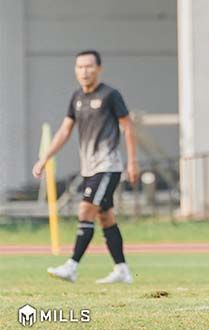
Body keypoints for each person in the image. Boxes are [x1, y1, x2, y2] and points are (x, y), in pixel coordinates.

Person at [34, 50, 138, 284]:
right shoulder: (76, 98)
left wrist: (132, 162)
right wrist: (44, 158)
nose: (84, 71)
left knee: (85, 210)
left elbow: (128, 127)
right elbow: (64, 131)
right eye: (80, 67)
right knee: (106, 217)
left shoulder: (111, 95)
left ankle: (71, 266)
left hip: (107, 166)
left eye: (89, 66)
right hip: (89, 168)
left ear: (98, 69)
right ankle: (122, 269)